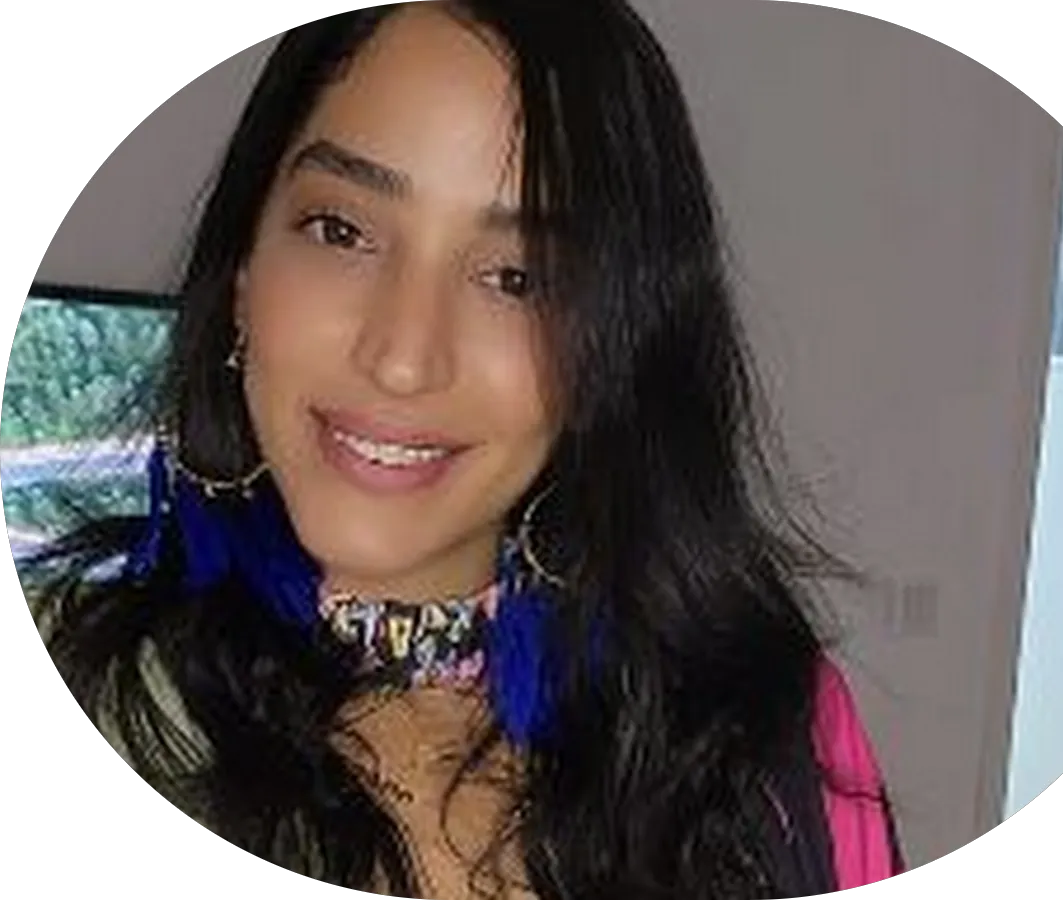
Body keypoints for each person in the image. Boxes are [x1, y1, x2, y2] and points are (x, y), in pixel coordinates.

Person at [24, 2, 905, 897]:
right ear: (244, 273)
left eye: (516, 278)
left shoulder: (769, 749)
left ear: (611, 353)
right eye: (342, 231)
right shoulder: (95, 680)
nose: (403, 358)